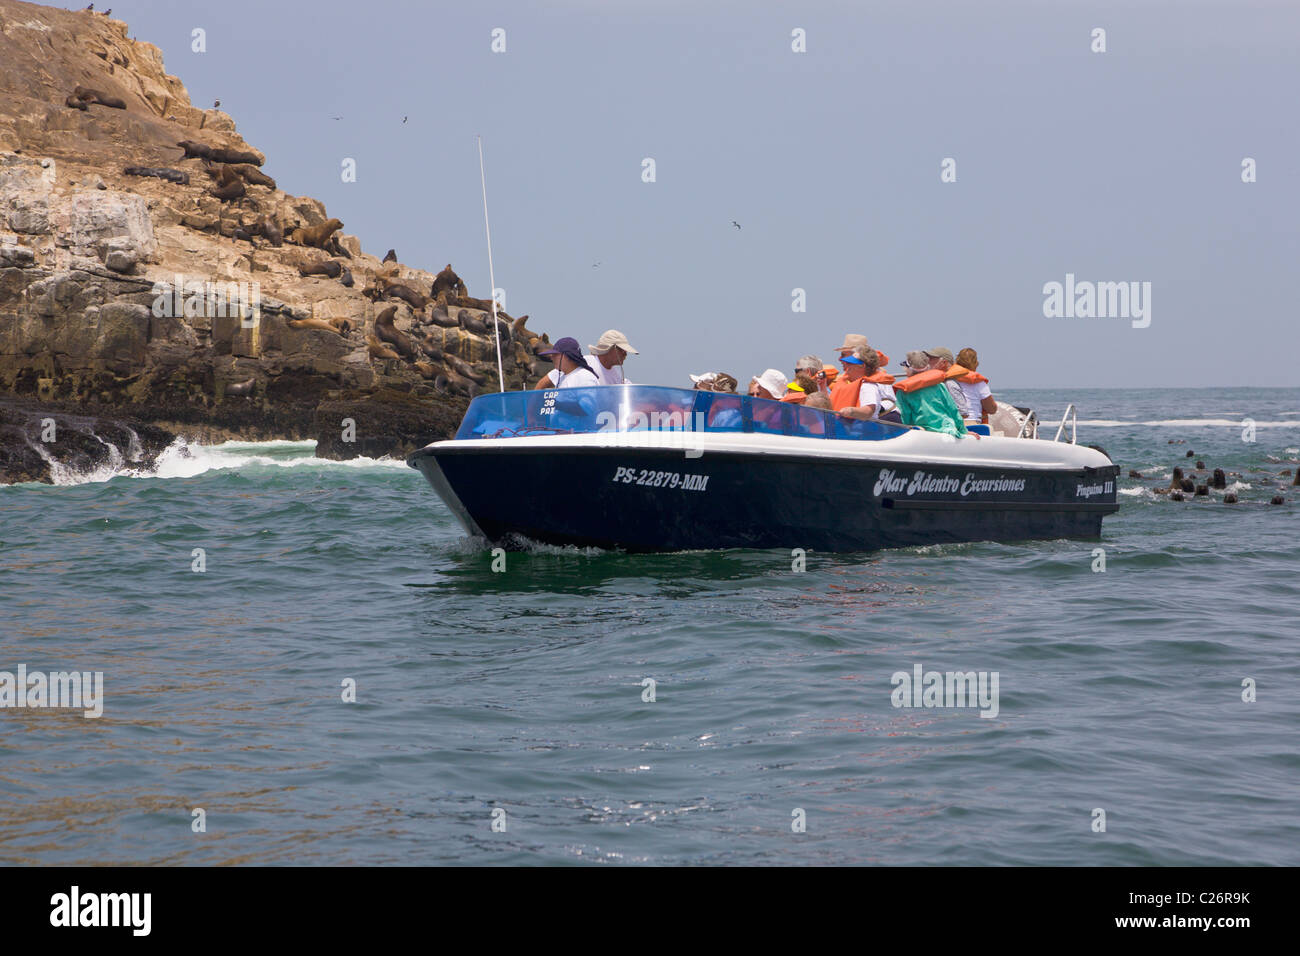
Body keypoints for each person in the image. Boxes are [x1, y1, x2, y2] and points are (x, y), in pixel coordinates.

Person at [891, 350, 968, 436]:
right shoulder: (939, 385)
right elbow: (953, 410)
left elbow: (905, 418)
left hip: (925, 434)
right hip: (949, 430)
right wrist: (964, 432)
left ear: (909, 368)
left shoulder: (903, 391)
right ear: (927, 367)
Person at [537, 329, 637, 388]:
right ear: (611, 349)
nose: (625, 353)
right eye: (622, 350)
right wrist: (532, 413)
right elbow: (543, 383)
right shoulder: (584, 363)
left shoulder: (617, 376)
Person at [836, 348, 899, 422]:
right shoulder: (862, 384)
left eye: (850, 363)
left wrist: (851, 411)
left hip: (874, 427)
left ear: (862, 366)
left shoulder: (868, 386)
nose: (847, 366)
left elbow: (868, 411)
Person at [533, 337, 599, 389]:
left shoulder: (585, 378)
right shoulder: (561, 375)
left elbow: (589, 405)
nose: (551, 358)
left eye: (555, 355)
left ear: (566, 356)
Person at [953, 348, 997, 423]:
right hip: (972, 423)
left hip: (953, 423)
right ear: (975, 363)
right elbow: (992, 409)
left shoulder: (949, 379)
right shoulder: (979, 383)